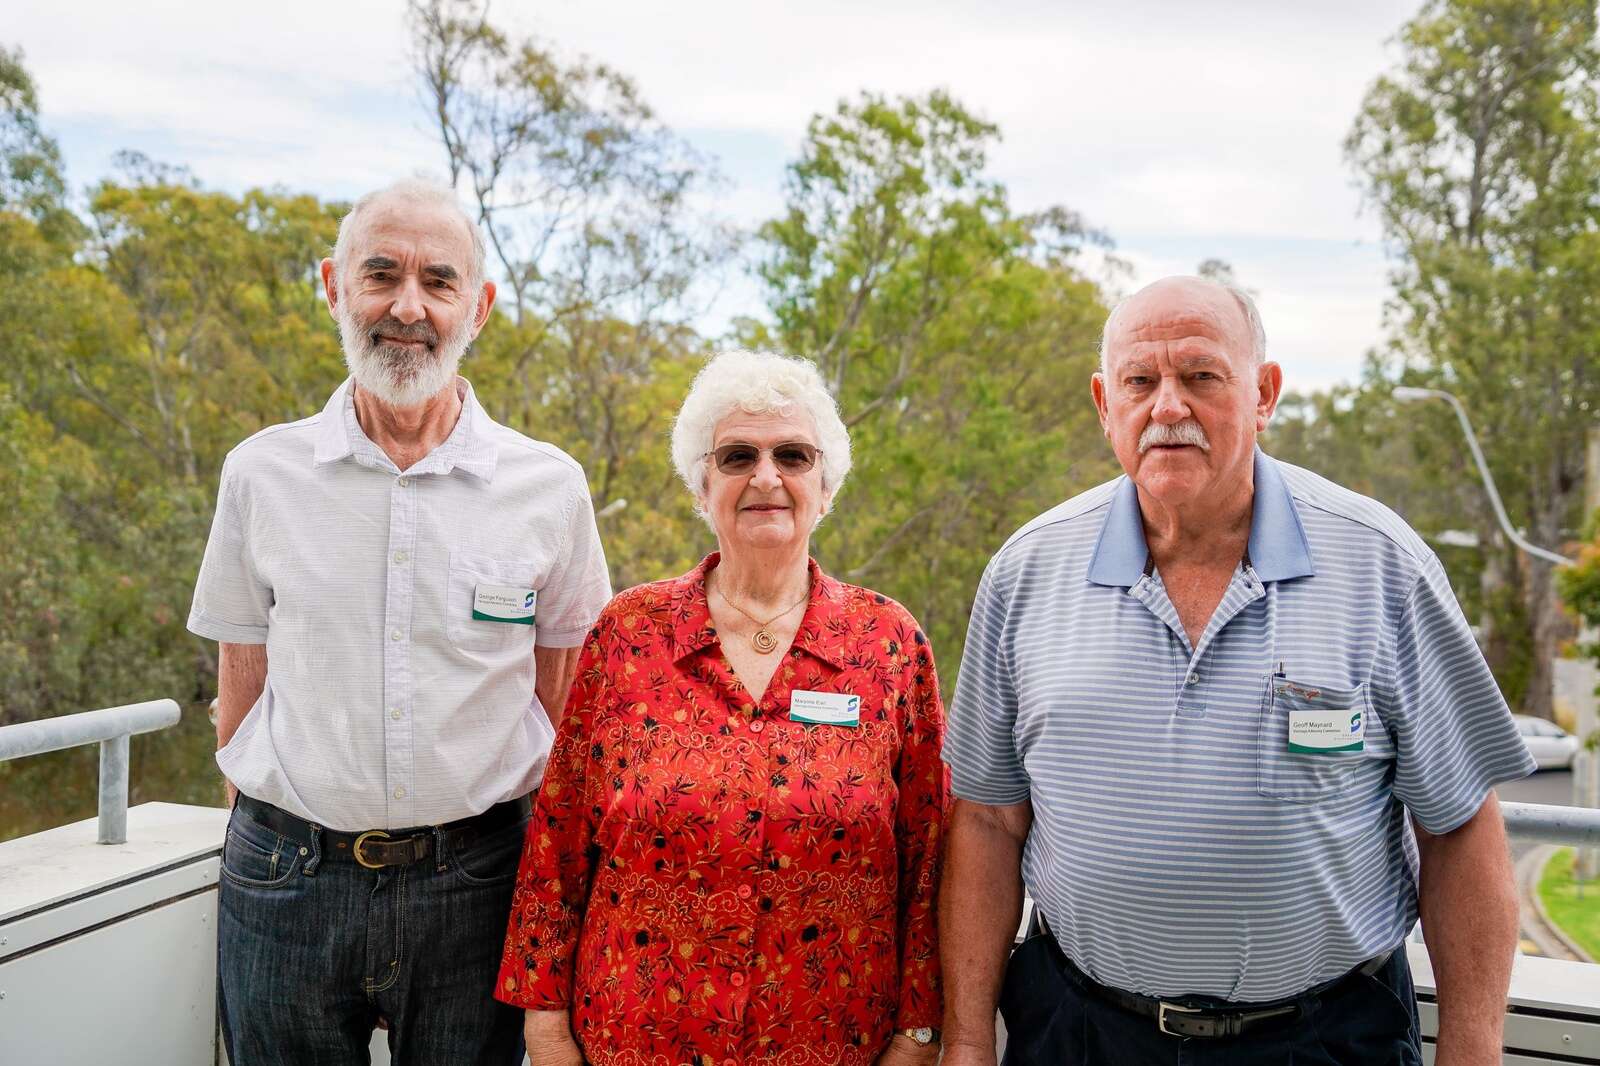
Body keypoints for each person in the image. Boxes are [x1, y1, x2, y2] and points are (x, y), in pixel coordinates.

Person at [939, 275, 1536, 1066]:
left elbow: (1458, 825)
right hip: (1081, 1034)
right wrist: (967, 1039)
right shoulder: (1027, 572)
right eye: (1140, 382)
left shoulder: (1381, 565)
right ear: (1104, 404)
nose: (1168, 407)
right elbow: (987, 820)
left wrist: (1472, 1050)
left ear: (1264, 394)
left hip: (1325, 1039)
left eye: (1201, 375)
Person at [187, 178, 612, 1065]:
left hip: (480, 886)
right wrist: (266, 842)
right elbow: (241, 678)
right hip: (285, 881)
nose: (407, 307)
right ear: (333, 287)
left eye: (438, 281)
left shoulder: (549, 488)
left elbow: (565, 707)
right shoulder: (260, 474)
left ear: (478, 307)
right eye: (380, 275)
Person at [496, 350, 949, 1065]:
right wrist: (545, 1030)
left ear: (825, 486)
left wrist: (917, 1034)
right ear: (702, 486)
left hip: (830, 1043)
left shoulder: (888, 643)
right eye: (738, 456)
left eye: (792, 455)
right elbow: (557, 841)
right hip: (635, 1042)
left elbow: (929, 858)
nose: (766, 477)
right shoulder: (628, 633)